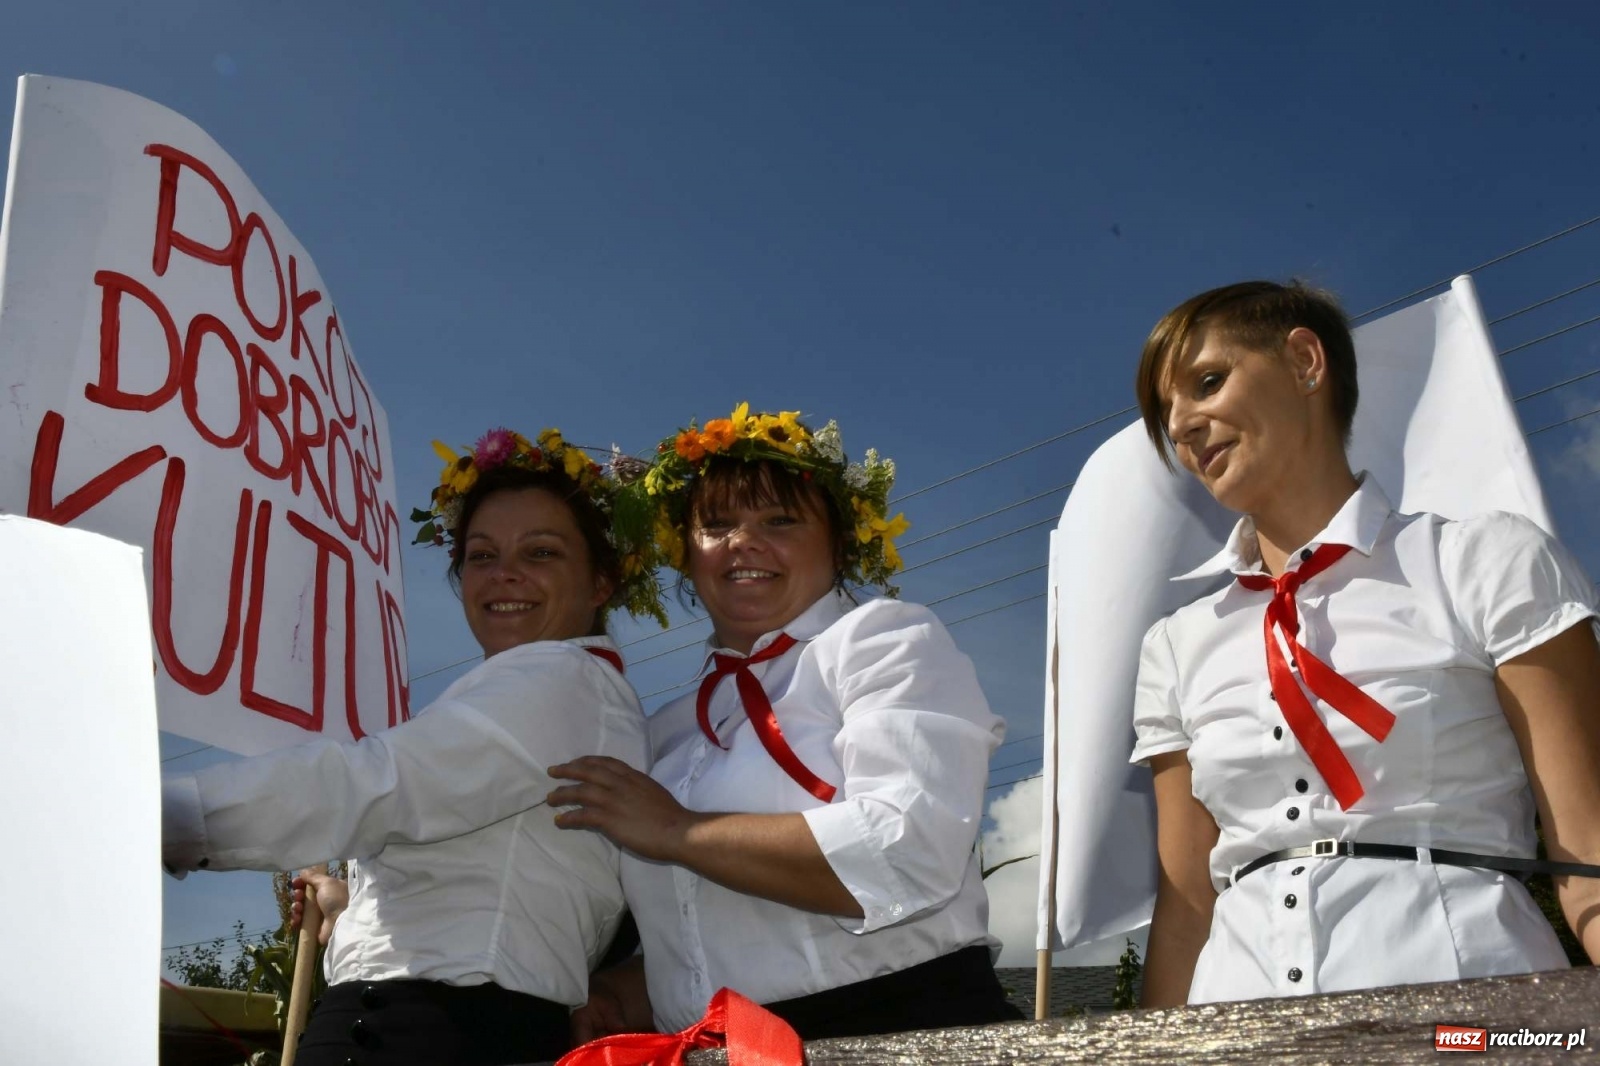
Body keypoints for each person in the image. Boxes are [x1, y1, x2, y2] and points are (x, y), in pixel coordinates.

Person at [1128, 281, 1600, 1008]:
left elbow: (1588, 847)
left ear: (1306, 362)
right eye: (1167, 414)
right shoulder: (1174, 644)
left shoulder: (1486, 561)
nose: (1183, 425)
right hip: (1237, 1030)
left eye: (1208, 382)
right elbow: (1188, 907)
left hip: (1470, 1016)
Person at [162, 427, 666, 1065]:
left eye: (540, 553)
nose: (504, 573)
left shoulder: (565, 679)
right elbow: (490, 902)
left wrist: (157, 815)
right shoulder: (544, 697)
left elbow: (377, 785)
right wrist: (347, 909)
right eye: (481, 555)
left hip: (434, 1031)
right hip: (432, 1025)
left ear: (602, 582)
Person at [547, 404, 1022, 1041]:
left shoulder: (883, 639)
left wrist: (677, 830)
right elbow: (711, 938)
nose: (744, 541)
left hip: (903, 1031)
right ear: (686, 553)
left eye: (779, 520)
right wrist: (616, 991)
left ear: (840, 542)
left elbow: (906, 851)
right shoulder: (663, 730)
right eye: (716, 525)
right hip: (714, 1051)